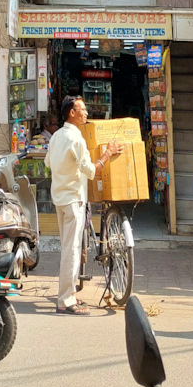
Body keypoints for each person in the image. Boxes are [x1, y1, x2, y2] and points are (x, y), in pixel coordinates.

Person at [46, 96, 123, 314]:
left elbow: (48, 162)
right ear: (72, 112)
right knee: (71, 250)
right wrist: (107, 153)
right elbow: (91, 171)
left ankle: (67, 294)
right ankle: (66, 300)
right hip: (73, 200)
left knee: (68, 248)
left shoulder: (56, 136)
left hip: (60, 198)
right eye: (82, 109)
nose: (86, 113)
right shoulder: (76, 140)